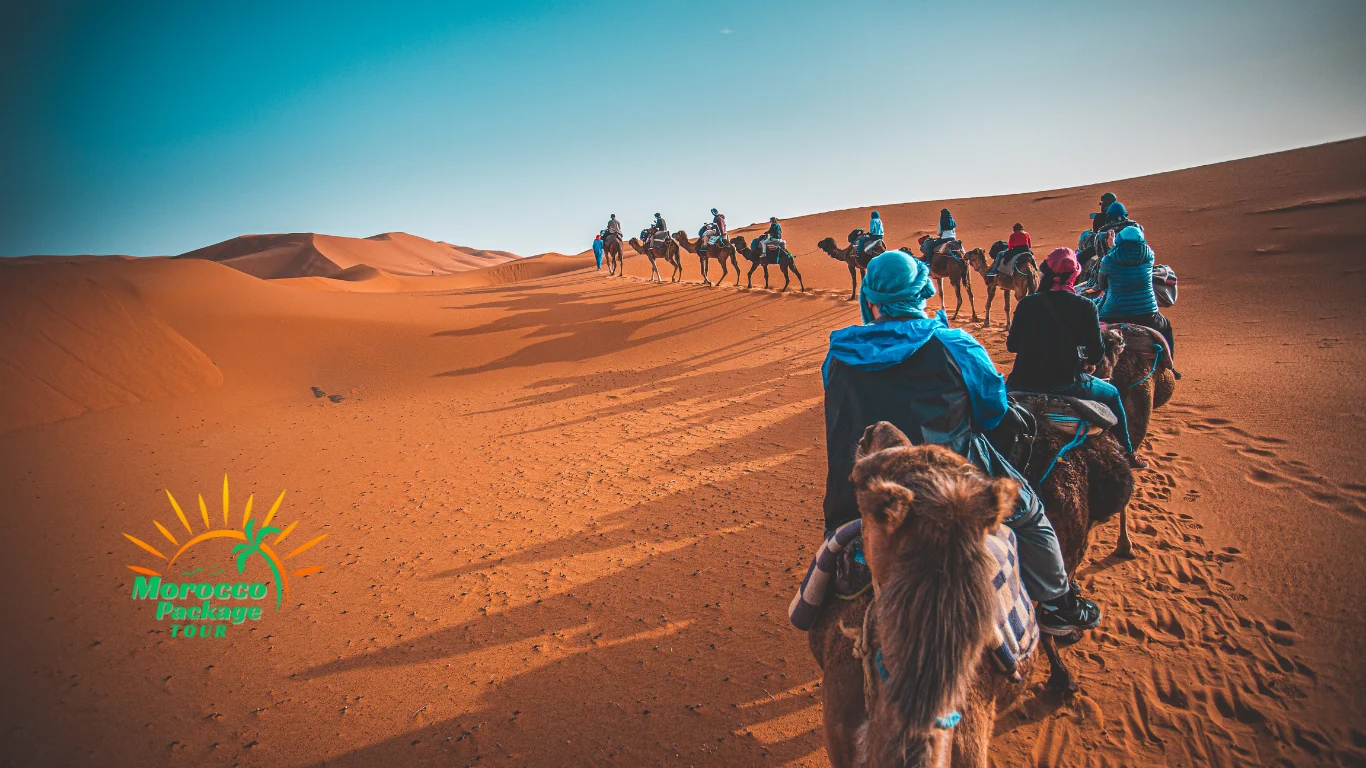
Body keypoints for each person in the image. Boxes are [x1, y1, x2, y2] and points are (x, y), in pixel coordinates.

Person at [821, 250, 1102, 636]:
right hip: (950, 487)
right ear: (924, 291)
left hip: (857, 492)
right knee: (1032, 515)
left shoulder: (838, 354)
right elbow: (992, 412)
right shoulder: (956, 346)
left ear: (869, 298)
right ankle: (1057, 605)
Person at [1007, 248, 1146, 468]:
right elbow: (1098, 354)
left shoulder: (1027, 304)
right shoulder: (1085, 306)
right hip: (1067, 384)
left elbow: (1012, 345)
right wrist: (1087, 362)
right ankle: (1128, 453)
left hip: (1023, 381)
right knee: (1113, 395)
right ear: (1075, 276)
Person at [1096, 226, 1175, 355]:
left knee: (1092, 326)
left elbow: (1102, 283)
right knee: (1166, 327)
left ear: (1120, 240)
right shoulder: (1149, 256)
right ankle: (1170, 364)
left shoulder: (1108, 259)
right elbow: (1131, 258)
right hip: (1147, 313)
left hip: (1113, 312)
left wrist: (1112, 246)